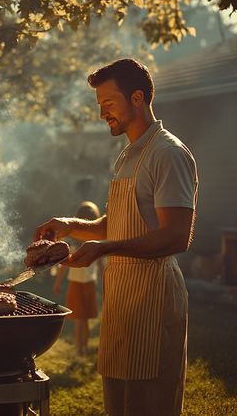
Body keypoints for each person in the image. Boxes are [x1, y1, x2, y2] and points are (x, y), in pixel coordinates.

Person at [35, 59, 198, 416]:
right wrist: (68, 224)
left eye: (107, 104)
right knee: (119, 405)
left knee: (150, 406)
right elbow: (118, 222)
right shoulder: (128, 155)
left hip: (155, 298)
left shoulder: (167, 154)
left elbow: (175, 237)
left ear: (136, 97)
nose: (100, 114)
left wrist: (104, 249)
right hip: (122, 300)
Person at [52, 200, 103, 356]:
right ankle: (79, 348)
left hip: (89, 283)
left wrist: (105, 282)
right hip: (76, 283)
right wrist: (58, 283)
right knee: (80, 319)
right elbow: (63, 265)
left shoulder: (97, 244)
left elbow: (101, 265)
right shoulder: (73, 243)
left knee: (85, 319)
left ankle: (83, 348)